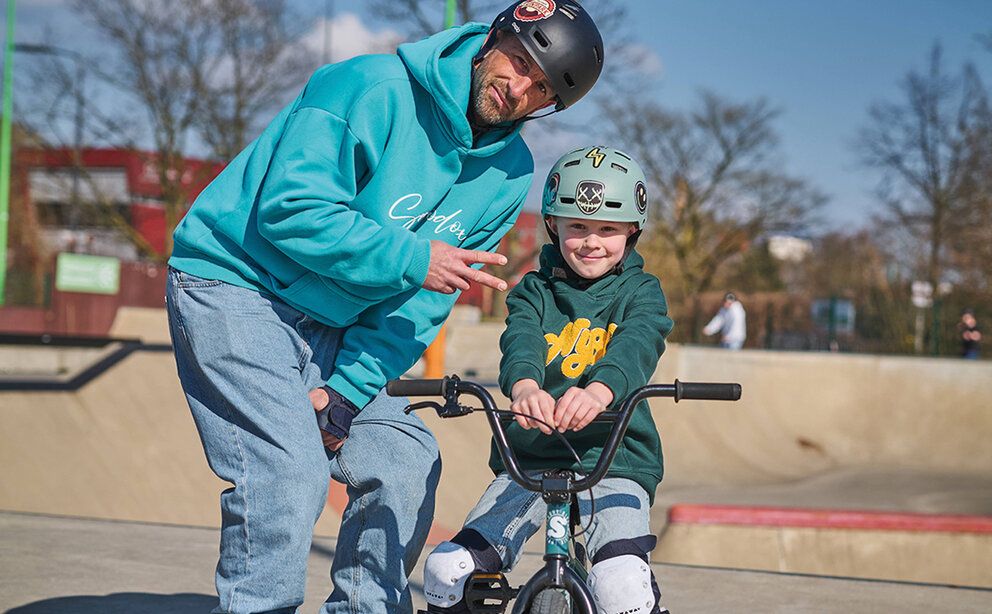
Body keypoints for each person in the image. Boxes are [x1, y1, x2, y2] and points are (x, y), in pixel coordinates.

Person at [164, 2, 604, 612]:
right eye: (520, 61)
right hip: (238, 285)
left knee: (404, 457)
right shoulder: (368, 87)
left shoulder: (508, 174)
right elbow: (291, 209)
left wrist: (345, 394)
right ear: (492, 37)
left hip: (334, 328)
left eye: (541, 89)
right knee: (288, 475)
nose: (519, 88)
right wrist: (414, 258)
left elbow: (420, 306)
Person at [422, 146, 673, 613]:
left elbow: (639, 341)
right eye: (577, 226)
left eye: (608, 229)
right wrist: (524, 387)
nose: (591, 241)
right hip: (532, 456)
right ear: (554, 225)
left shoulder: (642, 291)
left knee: (621, 583)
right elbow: (521, 342)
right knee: (446, 571)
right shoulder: (535, 290)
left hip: (613, 457)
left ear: (632, 231)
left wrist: (600, 390)